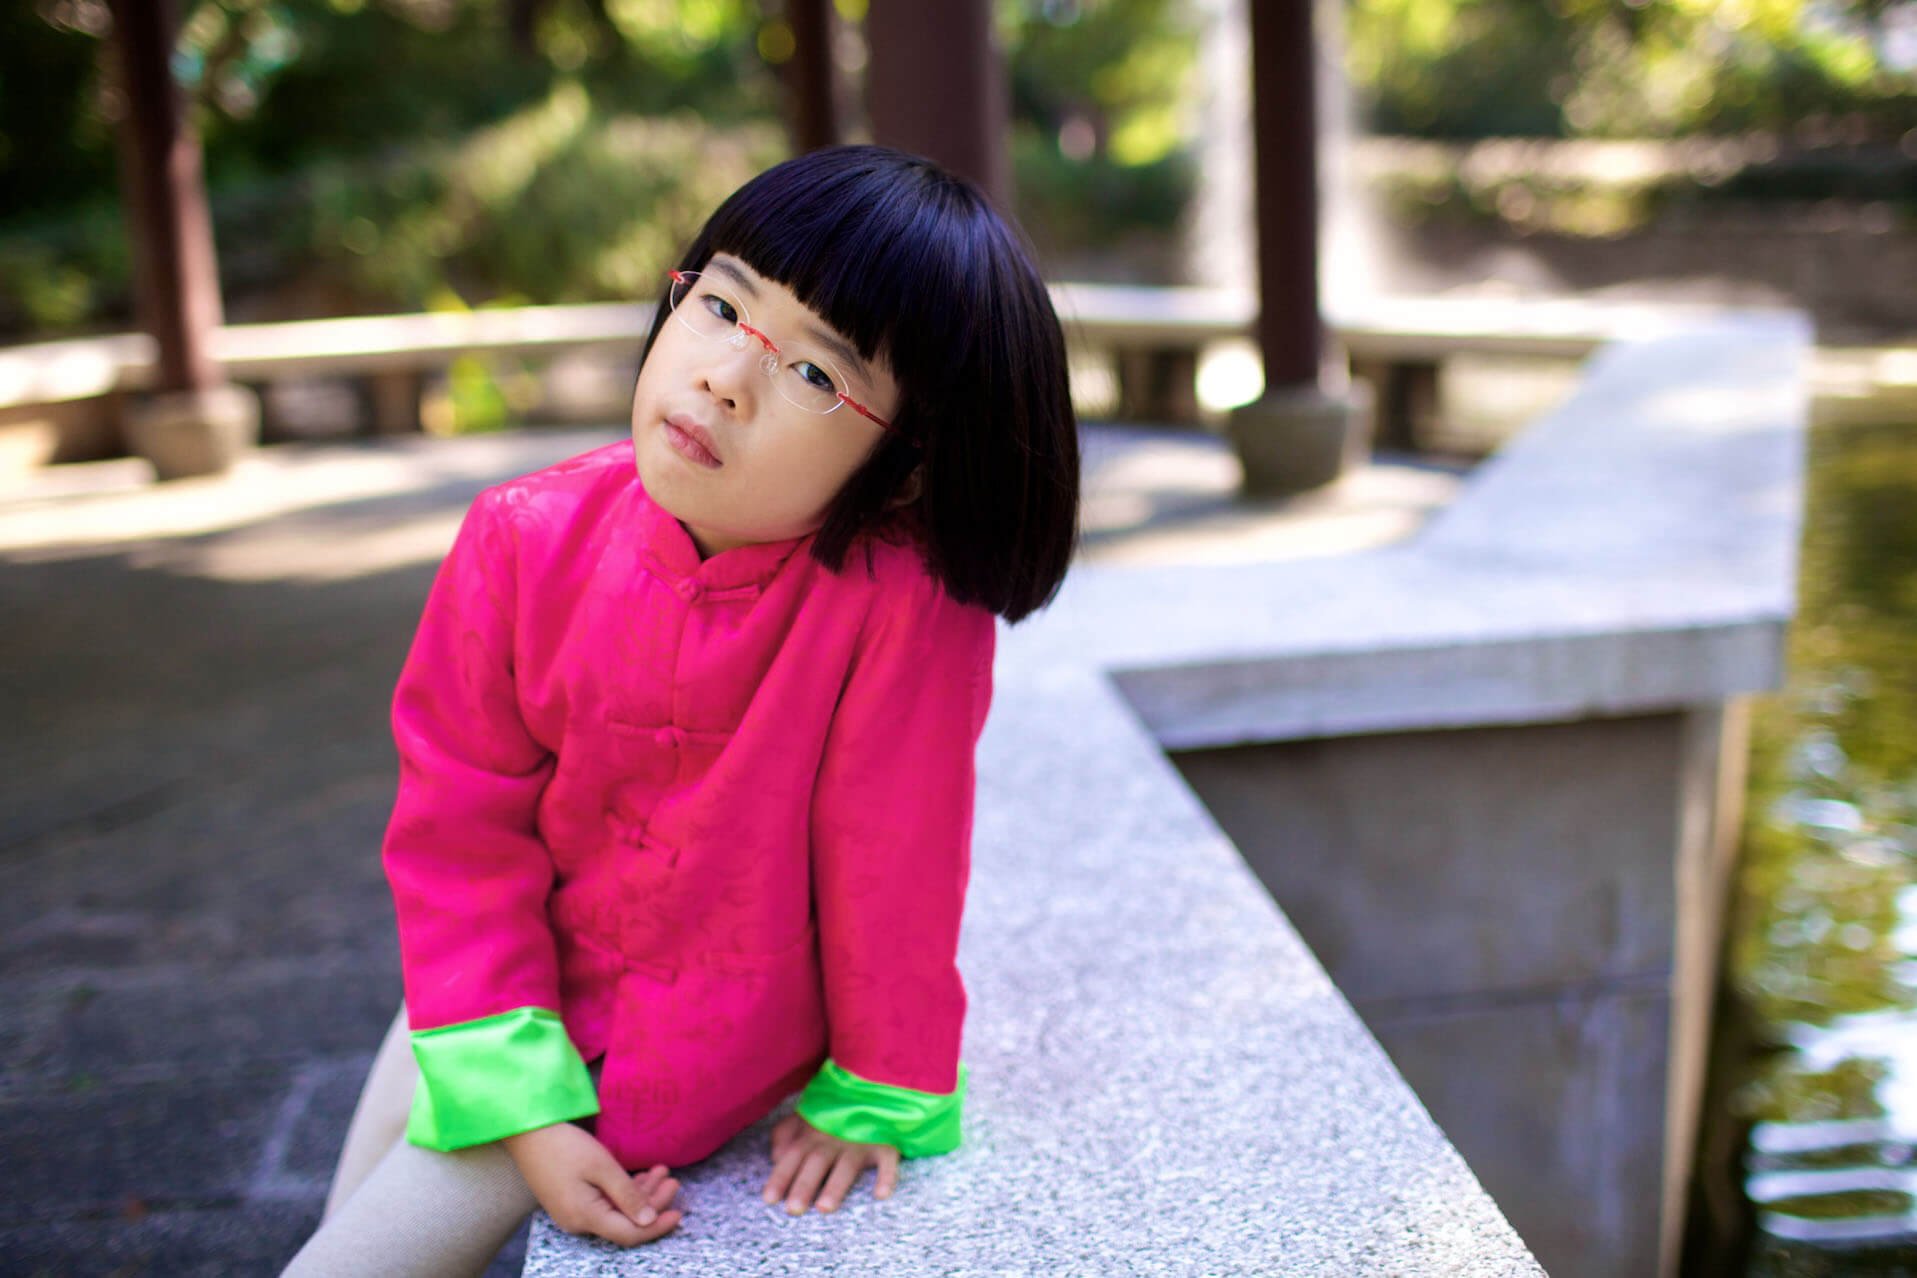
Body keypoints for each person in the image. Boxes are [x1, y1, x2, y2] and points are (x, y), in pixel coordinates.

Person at [282, 144, 1080, 1276]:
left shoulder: (897, 604)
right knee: (342, 1227)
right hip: (499, 991)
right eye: (721, 305)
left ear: (900, 465)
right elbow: (458, 827)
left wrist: (877, 1088)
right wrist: (516, 1097)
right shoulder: (520, 538)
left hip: (660, 1049)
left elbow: (894, 857)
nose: (724, 379)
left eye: (816, 375)